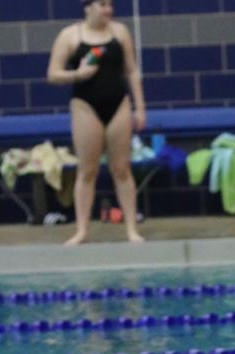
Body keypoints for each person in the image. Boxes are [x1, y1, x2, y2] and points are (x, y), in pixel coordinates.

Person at [46, 0, 147, 246]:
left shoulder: (120, 32)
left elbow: (132, 71)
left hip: (118, 105)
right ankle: (82, 230)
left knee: (122, 169)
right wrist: (77, 75)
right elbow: (53, 74)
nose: (108, 10)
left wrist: (140, 107)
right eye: (102, 4)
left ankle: (131, 229)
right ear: (87, 7)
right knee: (87, 170)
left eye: (110, 5)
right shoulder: (70, 36)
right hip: (85, 107)